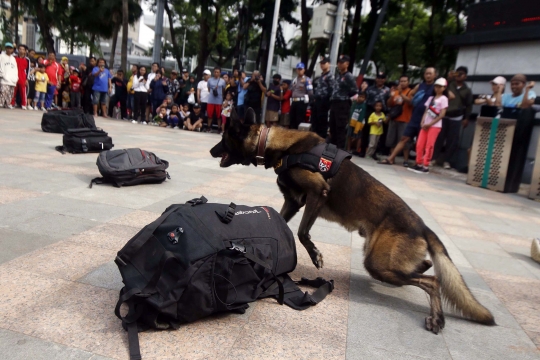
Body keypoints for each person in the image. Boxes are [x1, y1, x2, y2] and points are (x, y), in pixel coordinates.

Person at [378, 67, 437, 165]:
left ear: (435, 75)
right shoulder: (420, 85)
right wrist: (413, 98)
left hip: (427, 118)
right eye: (426, 73)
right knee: (403, 138)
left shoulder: (437, 87)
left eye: (430, 73)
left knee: (421, 141)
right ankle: (390, 158)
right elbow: (411, 98)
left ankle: (419, 163)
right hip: (415, 117)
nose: (428, 75)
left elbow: (450, 96)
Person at [433, 66, 473, 170]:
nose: (459, 75)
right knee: (439, 137)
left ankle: (447, 161)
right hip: (444, 114)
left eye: (462, 73)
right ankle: (434, 158)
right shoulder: (449, 84)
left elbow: (469, 105)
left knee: (452, 140)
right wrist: (449, 77)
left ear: (465, 76)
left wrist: (466, 118)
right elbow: (440, 88)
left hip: (457, 116)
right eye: (458, 73)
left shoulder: (467, 90)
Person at [409, 78, 449, 174]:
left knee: (429, 145)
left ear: (444, 88)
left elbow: (442, 115)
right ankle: (418, 163)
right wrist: (422, 122)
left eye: (440, 87)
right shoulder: (431, 98)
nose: (437, 88)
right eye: (436, 86)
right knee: (419, 144)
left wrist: (430, 124)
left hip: (435, 126)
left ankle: (425, 165)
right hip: (425, 124)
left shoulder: (444, 99)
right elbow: (426, 111)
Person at [329, 55, 358, 149]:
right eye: (339, 62)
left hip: (342, 104)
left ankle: (339, 149)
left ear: (347, 64)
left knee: (340, 128)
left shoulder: (349, 76)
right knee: (332, 127)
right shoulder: (338, 75)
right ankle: (332, 148)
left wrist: (346, 99)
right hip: (334, 103)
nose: (340, 64)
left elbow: (355, 91)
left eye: (342, 62)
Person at [385, 75, 413, 166]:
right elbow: (389, 104)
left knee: (405, 141)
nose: (403, 83)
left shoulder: (410, 92)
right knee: (391, 140)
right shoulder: (395, 91)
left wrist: (401, 94)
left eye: (405, 81)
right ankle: (392, 159)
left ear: (408, 82)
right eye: (401, 81)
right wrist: (391, 96)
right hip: (394, 118)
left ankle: (405, 160)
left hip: (405, 119)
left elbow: (410, 103)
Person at [363, 72, 390, 155]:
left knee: (380, 133)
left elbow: (389, 103)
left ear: (384, 79)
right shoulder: (370, 89)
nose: (380, 80)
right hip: (370, 111)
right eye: (378, 78)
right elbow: (365, 100)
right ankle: (363, 151)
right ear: (376, 78)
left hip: (382, 113)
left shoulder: (388, 90)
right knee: (366, 131)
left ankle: (375, 152)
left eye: (382, 78)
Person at [311, 57, 334, 138]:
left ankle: (321, 139)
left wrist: (327, 103)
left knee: (322, 122)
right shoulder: (321, 75)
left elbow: (332, 90)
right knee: (315, 121)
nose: (322, 65)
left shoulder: (330, 76)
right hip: (317, 101)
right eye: (321, 63)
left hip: (324, 101)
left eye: (324, 63)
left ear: (329, 64)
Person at [289, 63, 313, 129]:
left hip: (301, 102)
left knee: (299, 120)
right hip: (294, 102)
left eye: (301, 69)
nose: (299, 71)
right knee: (292, 120)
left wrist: (307, 101)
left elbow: (310, 92)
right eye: (298, 69)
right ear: (296, 70)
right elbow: (291, 90)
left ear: (304, 70)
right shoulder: (294, 80)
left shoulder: (307, 80)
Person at [206, 66, 227, 132]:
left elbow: (223, 90)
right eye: (215, 72)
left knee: (218, 116)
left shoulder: (222, 81)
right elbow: (209, 89)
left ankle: (219, 128)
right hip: (211, 100)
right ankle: (209, 127)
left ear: (220, 73)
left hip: (219, 100)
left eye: (217, 72)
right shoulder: (210, 80)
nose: (216, 73)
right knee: (209, 115)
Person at [11, 44, 30, 109]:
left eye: (23, 49)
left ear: (25, 51)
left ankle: (24, 104)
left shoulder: (27, 59)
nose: (21, 50)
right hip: (14, 74)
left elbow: (28, 69)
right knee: (13, 90)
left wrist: (27, 79)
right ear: (18, 50)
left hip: (22, 76)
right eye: (20, 49)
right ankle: (12, 103)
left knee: (23, 91)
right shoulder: (14, 57)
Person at [0, 42, 18, 109]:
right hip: (4, 79)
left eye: (10, 48)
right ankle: (1, 103)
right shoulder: (1, 56)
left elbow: (15, 68)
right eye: (7, 48)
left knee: (10, 94)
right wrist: (2, 75)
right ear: (5, 48)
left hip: (12, 79)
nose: (9, 50)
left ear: (12, 50)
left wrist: (16, 77)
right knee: (3, 92)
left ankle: (7, 104)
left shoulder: (13, 58)